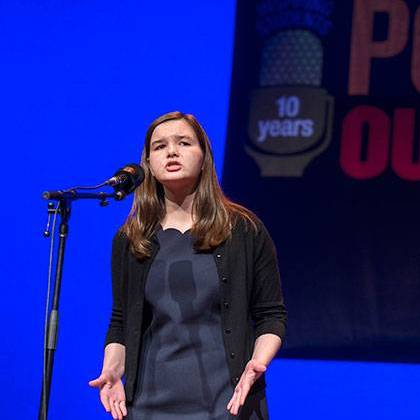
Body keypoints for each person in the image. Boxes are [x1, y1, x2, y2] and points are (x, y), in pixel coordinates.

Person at [88, 111, 287, 419]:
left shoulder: (243, 230)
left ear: (204, 156)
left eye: (183, 143)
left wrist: (257, 363)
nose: (171, 151)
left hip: (227, 402)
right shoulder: (131, 238)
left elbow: (271, 315)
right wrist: (112, 369)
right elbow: (121, 321)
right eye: (159, 146)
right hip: (148, 406)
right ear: (148, 165)